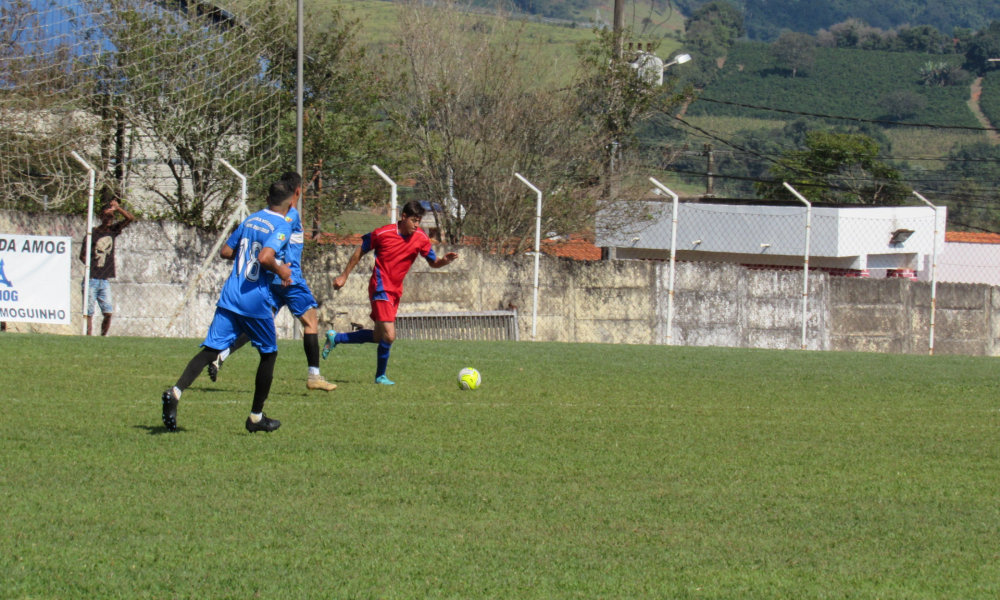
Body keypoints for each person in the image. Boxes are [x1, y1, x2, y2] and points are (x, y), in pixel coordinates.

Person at [160, 180, 295, 433]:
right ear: (292, 200)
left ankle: (176, 391)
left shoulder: (251, 220)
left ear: (267, 197)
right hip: (254, 299)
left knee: (211, 349)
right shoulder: (281, 226)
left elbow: (225, 251)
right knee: (269, 353)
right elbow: (266, 257)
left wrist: (246, 256)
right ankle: (256, 418)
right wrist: (281, 270)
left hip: (231, 294)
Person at [207, 171, 337, 392]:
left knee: (257, 324)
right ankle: (314, 376)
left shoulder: (271, 215)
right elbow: (281, 237)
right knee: (311, 322)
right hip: (289, 277)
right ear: (297, 192)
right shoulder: (291, 214)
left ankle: (222, 354)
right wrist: (283, 270)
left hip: (272, 278)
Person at [322, 200, 458, 385]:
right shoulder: (383, 233)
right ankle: (380, 377)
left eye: (419, 221)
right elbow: (359, 252)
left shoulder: (420, 237)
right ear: (404, 217)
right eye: (414, 220)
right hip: (380, 287)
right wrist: (344, 275)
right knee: (390, 335)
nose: (416, 225)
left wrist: (445, 261)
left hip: (395, 291)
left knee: (379, 337)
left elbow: (433, 262)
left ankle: (336, 338)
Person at [79, 192, 135, 336]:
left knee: (108, 312)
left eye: (111, 217)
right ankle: (88, 337)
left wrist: (117, 208)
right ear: (101, 217)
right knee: (89, 313)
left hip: (104, 280)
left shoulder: (113, 231)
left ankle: (103, 337)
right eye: (107, 216)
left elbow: (130, 218)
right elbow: (82, 255)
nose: (109, 219)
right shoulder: (93, 233)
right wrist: (91, 263)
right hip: (92, 278)